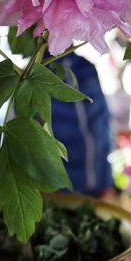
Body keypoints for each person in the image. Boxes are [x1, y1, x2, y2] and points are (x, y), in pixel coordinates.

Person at [50, 52, 114, 197]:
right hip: (78, 186)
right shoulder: (71, 67)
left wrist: (107, 181)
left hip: (76, 187)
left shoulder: (78, 66)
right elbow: (100, 129)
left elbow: (101, 126)